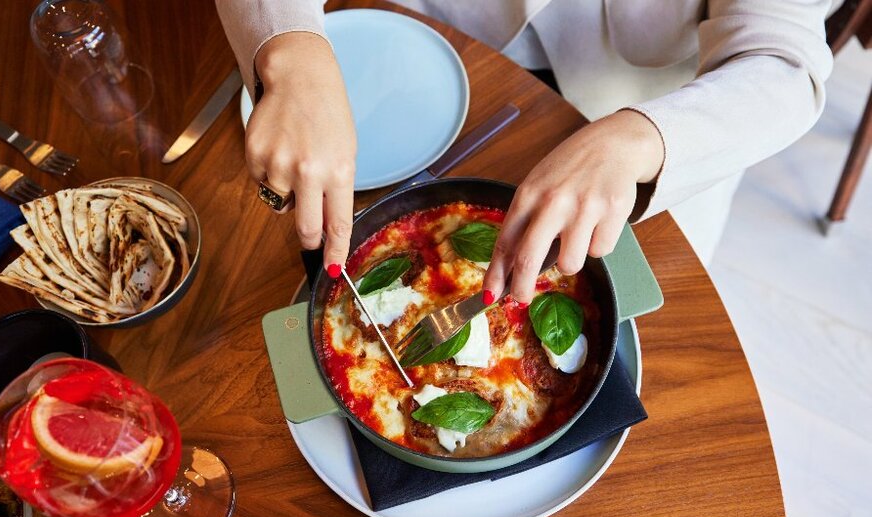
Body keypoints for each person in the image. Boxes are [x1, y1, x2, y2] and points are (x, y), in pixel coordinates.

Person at [216, 0, 832, 306]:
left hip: (666, 120)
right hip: (412, 59)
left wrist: (643, 136)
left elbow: (783, 63)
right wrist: (288, 46)